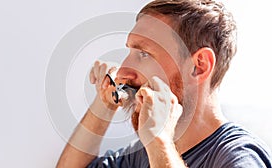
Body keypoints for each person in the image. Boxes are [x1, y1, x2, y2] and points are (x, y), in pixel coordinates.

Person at [57, 0, 272, 167]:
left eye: (144, 54)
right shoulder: (143, 154)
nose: (122, 71)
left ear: (199, 65)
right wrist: (105, 103)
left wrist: (159, 140)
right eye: (130, 51)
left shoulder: (240, 157)